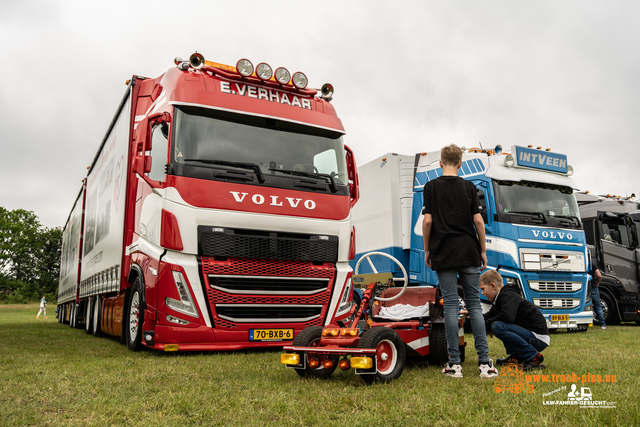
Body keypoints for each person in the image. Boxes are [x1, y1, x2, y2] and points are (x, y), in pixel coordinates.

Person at [422, 144, 497, 379]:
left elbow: (427, 222)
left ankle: (454, 365)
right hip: (468, 251)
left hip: (443, 252)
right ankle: (485, 364)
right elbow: (478, 221)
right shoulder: (469, 187)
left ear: (441, 163)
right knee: (474, 305)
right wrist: (483, 250)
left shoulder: (431, 186)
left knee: (452, 308)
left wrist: (427, 250)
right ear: (461, 164)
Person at [480, 270, 549, 371]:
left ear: (493, 286)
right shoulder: (499, 300)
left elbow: (508, 317)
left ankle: (533, 357)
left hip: (537, 338)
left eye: (483, 289)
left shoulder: (508, 296)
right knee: (497, 324)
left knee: (498, 326)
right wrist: (473, 316)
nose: (482, 293)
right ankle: (518, 357)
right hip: (530, 335)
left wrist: (488, 325)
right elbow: (488, 316)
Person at [589, 250, 607, 329]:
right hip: (593, 286)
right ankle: (602, 324)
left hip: (584, 287)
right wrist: (597, 282)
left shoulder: (581, 264)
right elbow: (599, 275)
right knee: (597, 306)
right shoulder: (592, 264)